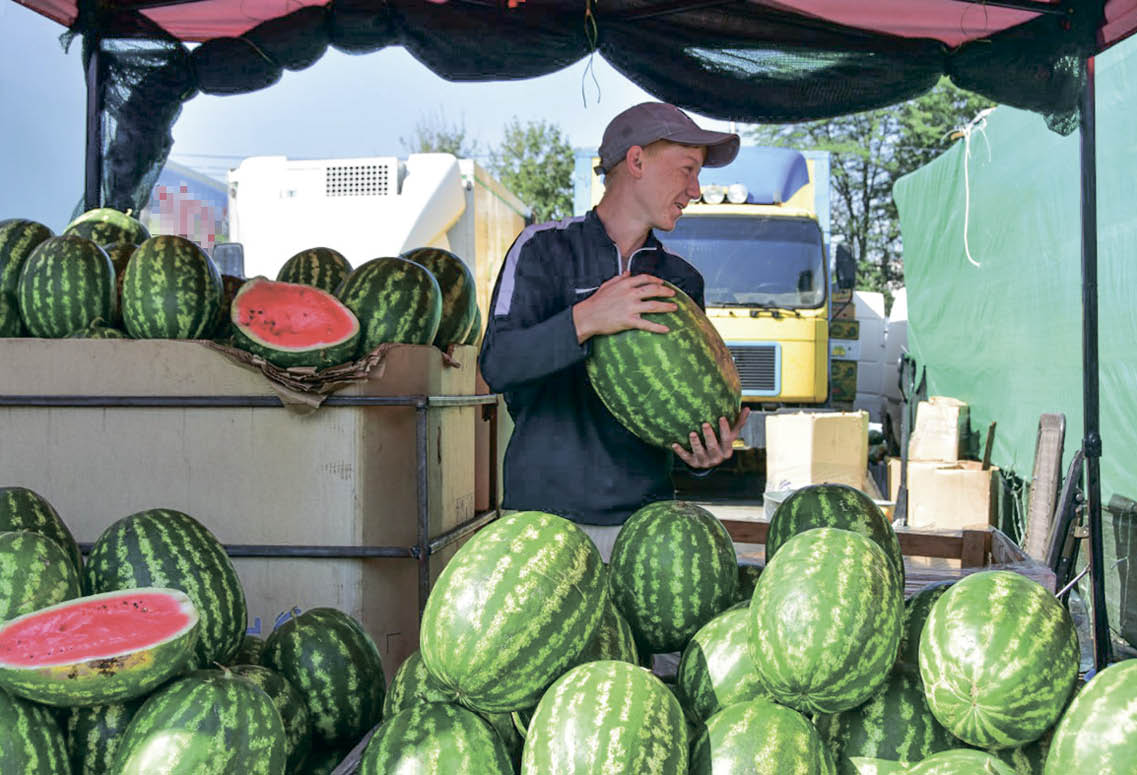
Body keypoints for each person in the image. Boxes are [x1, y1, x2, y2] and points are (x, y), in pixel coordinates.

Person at [478, 101, 752, 559]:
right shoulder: (544, 249)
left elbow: (683, 412)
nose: (696, 190)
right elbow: (497, 364)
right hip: (541, 523)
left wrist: (704, 457)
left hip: (646, 531)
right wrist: (586, 319)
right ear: (637, 161)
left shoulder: (681, 282)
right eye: (687, 170)